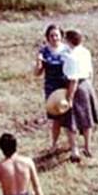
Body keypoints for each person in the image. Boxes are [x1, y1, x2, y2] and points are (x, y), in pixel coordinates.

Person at [63, 29, 98, 162]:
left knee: (71, 120)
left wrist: (70, 98)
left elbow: (73, 80)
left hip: (76, 87)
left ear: (68, 40)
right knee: (87, 119)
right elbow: (91, 72)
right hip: (87, 85)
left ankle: (74, 151)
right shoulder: (85, 52)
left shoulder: (71, 57)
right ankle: (87, 147)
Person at [34, 24, 69, 152]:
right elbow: (37, 73)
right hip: (52, 88)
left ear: (61, 36)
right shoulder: (44, 51)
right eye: (52, 36)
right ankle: (54, 144)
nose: (54, 38)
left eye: (57, 35)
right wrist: (38, 62)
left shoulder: (68, 50)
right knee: (56, 118)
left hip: (67, 86)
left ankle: (72, 144)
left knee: (69, 116)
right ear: (47, 37)